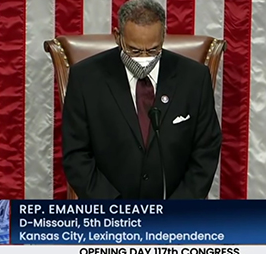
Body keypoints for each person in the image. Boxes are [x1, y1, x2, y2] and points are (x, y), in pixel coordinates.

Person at [62, 0, 222, 200]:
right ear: (117, 36)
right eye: (135, 51)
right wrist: (116, 208)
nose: (144, 58)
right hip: (110, 214)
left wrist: (179, 209)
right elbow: (76, 155)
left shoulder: (194, 78)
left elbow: (206, 149)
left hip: (176, 214)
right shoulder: (85, 78)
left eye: (154, 50)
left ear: (163, 36)